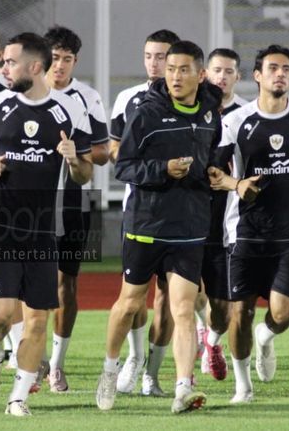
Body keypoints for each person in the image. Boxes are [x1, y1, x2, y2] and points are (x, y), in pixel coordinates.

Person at [0, 32, 93, 416]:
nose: (2, 68)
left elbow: (85, 173)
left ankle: (17, 398)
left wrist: (74, 160)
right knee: (1, 314)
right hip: (2, 224)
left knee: (38, 318)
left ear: (35, 67)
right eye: (2, 61)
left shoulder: (70, 111)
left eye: (9, 62)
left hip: (45, 228)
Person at [97, 40, 222, 414]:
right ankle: (109, 371)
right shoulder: (147, 113)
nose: (175, 76)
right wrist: (163, 170)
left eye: (184, 69)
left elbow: (211, 156)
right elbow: (123, 166)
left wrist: (214, 170)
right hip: (146, 225)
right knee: (130, 304)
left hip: (189, 227)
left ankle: (183, 388)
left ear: (200, 74)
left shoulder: (210, 112)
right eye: (170, 69)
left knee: (183, 310)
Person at [211, 44, 289, 404]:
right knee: (240, 312)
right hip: (244, 233)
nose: (280, 74)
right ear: (258, 76)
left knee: (282, 314)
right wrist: (238, 185)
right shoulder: (235, 121)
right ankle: (242, 387)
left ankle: (267, 337)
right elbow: (214, 173)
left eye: (286, 69)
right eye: (273, 68)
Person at [109, 28, 180, 398]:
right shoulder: (127, 99)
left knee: (170, 299)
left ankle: (153, 373)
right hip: (139, 211)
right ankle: (135, 359)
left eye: (161, 56)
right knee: (133, 296)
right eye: (149, 56)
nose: (154, 63)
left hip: (182, 212)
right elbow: (117, 153)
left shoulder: (191, 100)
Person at [42, 25, 110, 392]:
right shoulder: (22, 93)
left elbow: (103, 150)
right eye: (55, 58)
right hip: (27, 201)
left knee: (66, 281)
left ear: (75, 61)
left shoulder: (87, 97)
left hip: (76, 198)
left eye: (67, 59)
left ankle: (55, 364)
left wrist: (75, 152)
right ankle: (18, 353)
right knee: (18, 280)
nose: (60, 66)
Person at [198, 47, 247, 380]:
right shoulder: (194, 110)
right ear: (205, 74)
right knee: (178, 295)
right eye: (217, 70)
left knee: (223, 305)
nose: (223, 77)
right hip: (188, 212)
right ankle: (150, 371)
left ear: (238, 77)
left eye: (229, 71)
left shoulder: (247, 114)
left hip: (228, 218)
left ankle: (212, 342)